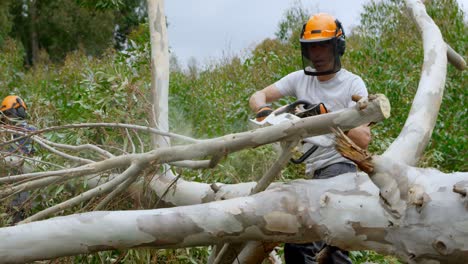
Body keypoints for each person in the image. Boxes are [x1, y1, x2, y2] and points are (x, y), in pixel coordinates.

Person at [249, 13, 371, 264]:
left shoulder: (353, 85)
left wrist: (331, 119)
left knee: (311, 243)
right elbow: (258, 95)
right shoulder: (299, 79)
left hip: (341, 169)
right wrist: (263, 110)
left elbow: (363, 139)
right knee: (321, 247)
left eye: (323, 45)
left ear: (337, 47)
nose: (317, 53)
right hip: (314, 171)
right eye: (312, 47)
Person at [0, 95, 36, 224]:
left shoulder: (8, 133)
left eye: (6, 114)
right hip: (25, 192)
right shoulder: (33, 131)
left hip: (16, 192)